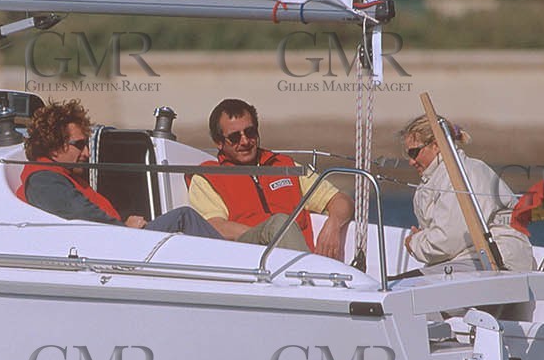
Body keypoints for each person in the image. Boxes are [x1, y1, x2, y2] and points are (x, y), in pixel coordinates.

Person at [18, 99, 220, 238]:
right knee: (183, 217)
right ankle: (232, 261)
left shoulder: (56, 176)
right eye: (79, 145)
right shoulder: (43, 181)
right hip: (115, 245)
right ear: (53, 146)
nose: (87, 152)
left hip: (116, 240)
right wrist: (124, 228)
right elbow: (82, 215)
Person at [186, 99, 352, 260]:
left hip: (296, 253)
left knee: (280, 224)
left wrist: (333, 226)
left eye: (250, 132)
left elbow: (341, 200)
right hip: (248, 256)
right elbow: (215, 226)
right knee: (280, 223)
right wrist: (269, 233)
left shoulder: (285, 166)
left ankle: (311, 268)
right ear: (219, 142)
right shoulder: (209, 177)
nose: (245, 141)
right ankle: (310, 269)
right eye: (235, 137)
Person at [399, 115, 534, 272]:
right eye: (408, 155)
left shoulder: (457, 175)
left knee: (405, 282)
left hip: (499, 260)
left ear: (435, 145)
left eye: (414, 153)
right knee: (407, 281)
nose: (411, 161)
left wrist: (414, 243)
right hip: (470, 258)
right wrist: (423, 238)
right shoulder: (438, 177)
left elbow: (447, 241)